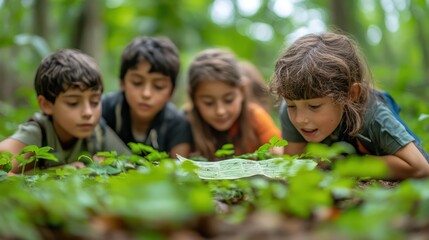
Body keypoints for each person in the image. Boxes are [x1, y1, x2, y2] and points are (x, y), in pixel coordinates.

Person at [269, 32, 429, 179]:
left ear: (350, 94)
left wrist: (347, 165)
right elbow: (293, 162)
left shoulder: (374, 115)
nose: (300, 118)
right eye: (291, 105)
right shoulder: (290, 111)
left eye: (315, 106)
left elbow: (421, 167)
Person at [0, 49, 131, 173]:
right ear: (46, 105)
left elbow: (134, 166)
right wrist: (54, 173)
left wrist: (109, 167)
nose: (88, 112)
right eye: (73, 103)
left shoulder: (98, 132)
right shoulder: (39, 132)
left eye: (95, 102)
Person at [102, 36, 192, 158]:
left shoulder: (177, 124)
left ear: (171, 92)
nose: (146, 94)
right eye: (137, 82)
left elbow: (179, 171)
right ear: (122, 83)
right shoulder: (102, 109)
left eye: (159, 86)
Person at [186, 48, 282, 161]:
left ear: (242, 90)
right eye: (208, 103)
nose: (220, 111)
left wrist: (274, 153)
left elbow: (279, 153)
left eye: (228, 100)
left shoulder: (256, 117)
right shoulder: (186, 122)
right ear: (193, 98)